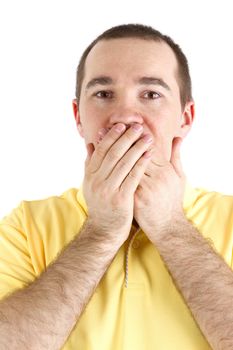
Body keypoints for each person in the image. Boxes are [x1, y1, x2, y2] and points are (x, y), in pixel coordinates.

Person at [0, 23, 232, 350]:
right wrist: (101, 231)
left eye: (151, 94)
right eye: (103, 94)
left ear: (186, 117)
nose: (124, 116)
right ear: (78, 117)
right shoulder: (26, 226)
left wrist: (170, 227)